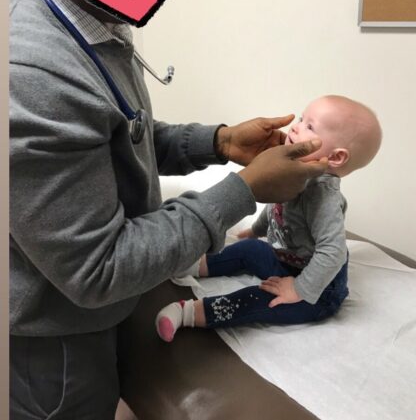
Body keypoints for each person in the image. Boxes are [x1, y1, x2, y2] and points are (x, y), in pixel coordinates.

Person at [8, 0, 331, 420]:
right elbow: (96, 270)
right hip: (53, 337)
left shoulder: (93, 16)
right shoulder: (30, 76)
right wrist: (243, 190)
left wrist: (219, 142)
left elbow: (116, 137)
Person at [154, 95, 383, 339]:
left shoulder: (323, 197)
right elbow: (277, 206)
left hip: (319, 287)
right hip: (285, 260)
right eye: (302, 118)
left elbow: (333, 252)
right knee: (249, 249)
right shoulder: (296, 172)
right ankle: (192, 265)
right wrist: (256, 230)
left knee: (258, 300)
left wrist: (298, 288)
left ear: (336, 157)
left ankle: (190, 313)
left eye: (309, 126)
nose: (296, 126)